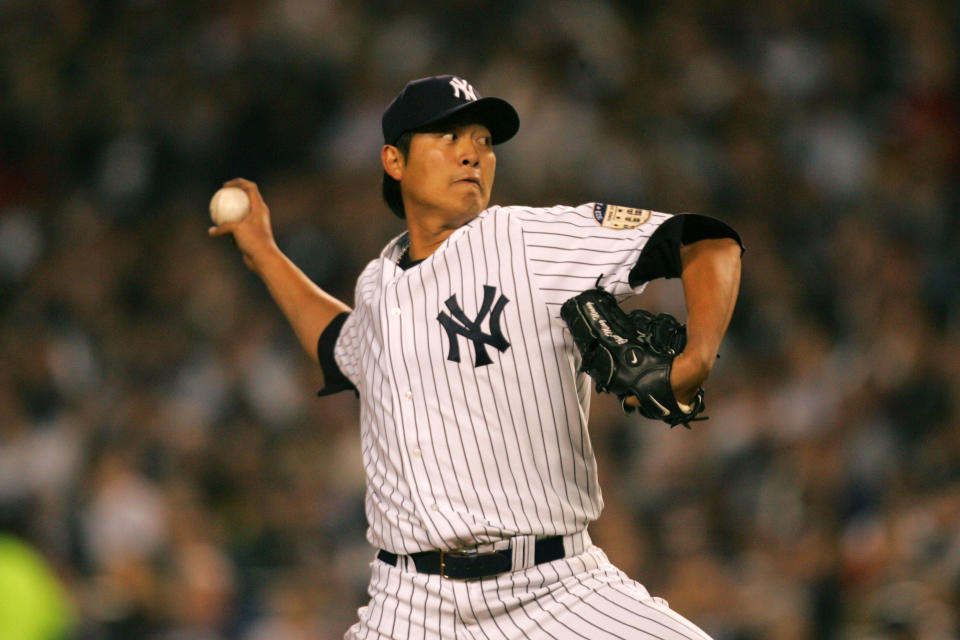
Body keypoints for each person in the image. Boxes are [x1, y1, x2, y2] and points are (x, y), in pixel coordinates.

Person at [210, 74, 742, 639]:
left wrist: (697, 359)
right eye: (447, 136)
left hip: (553, 589)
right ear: (394, 160)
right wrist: (265, 253)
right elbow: (337, 347)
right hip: (409, 601)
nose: (472, 153)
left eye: (483, 141)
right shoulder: (377, 285)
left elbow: (705, 241)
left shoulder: (526, 240)